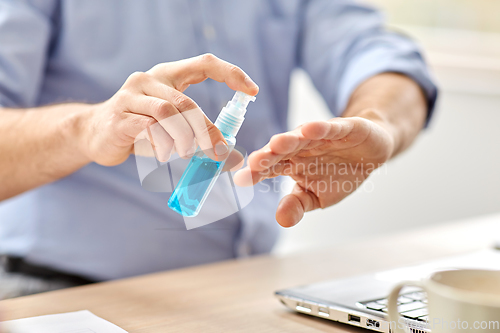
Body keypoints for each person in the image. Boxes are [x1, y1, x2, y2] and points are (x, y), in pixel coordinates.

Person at [0, 0, 437, 298]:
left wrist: (378, 124)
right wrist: (87, 127)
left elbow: (376, 53)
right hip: (66, 291)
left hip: (241, 288)